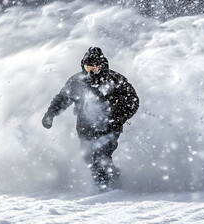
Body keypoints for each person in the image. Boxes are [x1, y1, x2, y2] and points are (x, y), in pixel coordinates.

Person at [42, 47, 139, 191]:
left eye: (94, 67)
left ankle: (103, 189)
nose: (91, 71)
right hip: (85, 128)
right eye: (88, 67)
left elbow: (132, 101)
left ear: (102, 66)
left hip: (110, 128)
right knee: (88, 157)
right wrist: (50, 114)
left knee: (101, 156)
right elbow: (62, 98)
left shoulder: (115, 80)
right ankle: (114, 176)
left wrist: (118, 117)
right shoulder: (77, 81)